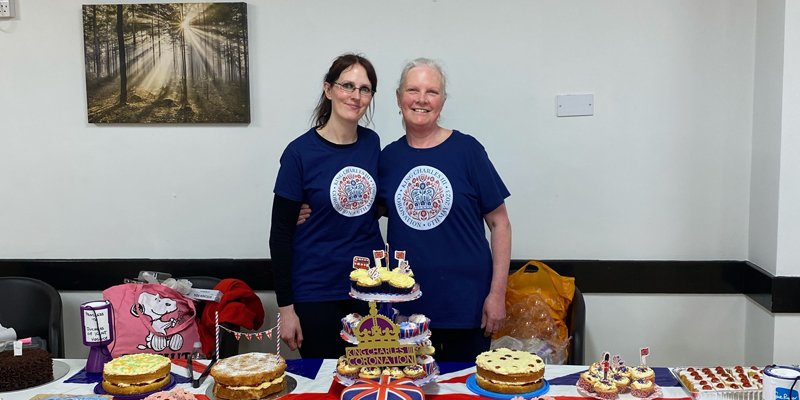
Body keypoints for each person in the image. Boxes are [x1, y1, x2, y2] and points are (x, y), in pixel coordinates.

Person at [378, 58, 512, 361]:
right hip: (407, 311)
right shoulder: (388, 158)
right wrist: (305, 209)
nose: (422, 99)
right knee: (411, 390)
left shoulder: (468, 151)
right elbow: (361, 211)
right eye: (413, 90)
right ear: (398, 97)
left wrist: (497, 294)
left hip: (467, 307)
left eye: (432, 91)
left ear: (443, 100)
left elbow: (500, 224)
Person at [269, 53, 384, 358]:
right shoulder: (299, 153)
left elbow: (375, 204)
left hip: (369, 289)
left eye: (365, 89)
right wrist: (286, 309)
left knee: (369, 381)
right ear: (328, 89)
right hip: (316, 292)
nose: (356, 96)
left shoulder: (373, 143)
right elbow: (279, 235)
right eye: (348, 85)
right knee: (324, 385)